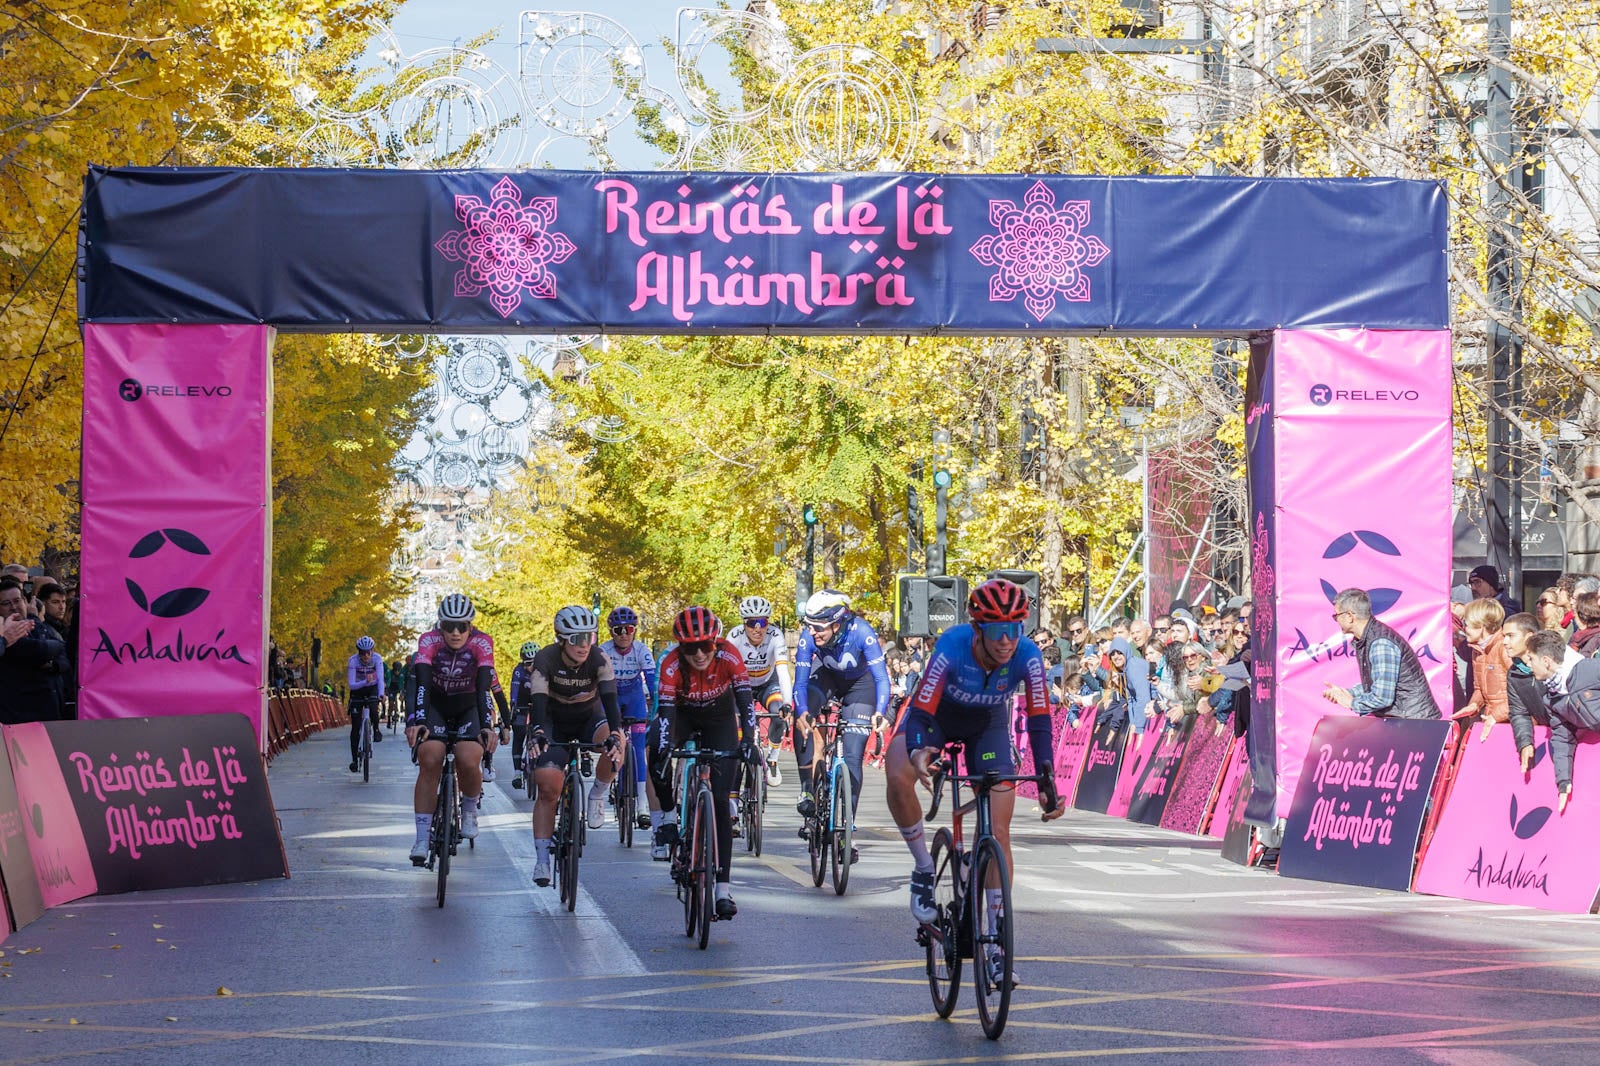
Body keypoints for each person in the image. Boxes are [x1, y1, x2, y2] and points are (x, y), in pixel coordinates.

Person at [885, 578, 1064, 982]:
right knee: (897, 774)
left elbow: (1039, 722)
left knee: (999, 832)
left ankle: (999, 943)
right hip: (936, 718)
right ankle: (923, 868)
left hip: (988, 726)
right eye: (998, 631)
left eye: (1015, 630)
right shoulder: (952, 645)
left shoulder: (1029, 657)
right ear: (978, 630)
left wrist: (1048, 780)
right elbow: (922, 709)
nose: (1007, 641)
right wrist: (917, 751)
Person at [646, 606, 755, 917]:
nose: (698, 655)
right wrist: (666, 749)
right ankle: (668, 816)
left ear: (715, 642)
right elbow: (665, 717)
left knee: (720, 801)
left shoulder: (730, 655)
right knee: (655, 749)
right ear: (681, 647)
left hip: (719, 718)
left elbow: (746, 704)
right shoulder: (670, 665)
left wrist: (748, 741)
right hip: (681, 715)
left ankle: (723, 890)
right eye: (690, 648)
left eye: (705, 646)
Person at [525, 605, 623, 886]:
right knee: (547, 785)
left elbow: (609, 699)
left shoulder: (599, 658)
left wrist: (615, 733)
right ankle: (542, 859)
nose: (583, 645)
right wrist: (539, 731)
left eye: (589, 638)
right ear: (561, 639)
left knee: (618, 743)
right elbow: (539, 701)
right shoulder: (545, 658)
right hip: (554, 721)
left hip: (588, 718)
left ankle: (597, 794)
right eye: (575, 639)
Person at [406, 594, 498, 865]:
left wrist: (487, 725)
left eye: (462, 626)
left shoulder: (483, 642)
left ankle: (469, 809)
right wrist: (418, 720)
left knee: (468, 758)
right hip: (436, 705)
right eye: (449, 626)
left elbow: (484, 687)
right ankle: (422, 837)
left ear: (471, 626)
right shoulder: (429, 641)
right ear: (440, 625)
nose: (455, 632)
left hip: (468, 705)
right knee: (430, 757)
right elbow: (421, 684)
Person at [791, 589, 891, 830]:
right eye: (809, 625)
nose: (811, 631)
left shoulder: (863, 633)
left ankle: (848, 825)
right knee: (801, 717)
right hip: (824, 678)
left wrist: (880, 711)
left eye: (817, 626)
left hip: (860, 686)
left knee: (854, 753)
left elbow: (881, 679)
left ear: (836, 624)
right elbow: (801, 683)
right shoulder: (808, 638)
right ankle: (807, 789)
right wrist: (803, 711)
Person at [1321, 587, 1442, 719]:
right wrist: (1348, 693)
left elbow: (1382, 698)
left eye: (1336, 616)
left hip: (1417, 723)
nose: (1336, 620)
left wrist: (1351, 702)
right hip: (1409, 720)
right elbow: (1380, 684)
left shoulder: (1380, 643)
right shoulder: (1370, 638)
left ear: (1349, 616)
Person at [1521, 629, 1599, 814]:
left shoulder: (1591, 670)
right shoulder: (1551, 698)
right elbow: (1563, 738)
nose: (1528, 664)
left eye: (1531, 659)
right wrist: (1564, 782)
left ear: (1546, 661)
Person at [601, 606, 659, 831]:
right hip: (612, 696)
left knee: (638, 749)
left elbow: (652, 680)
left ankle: (643, 805)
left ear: (635, 630)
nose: (624, 634)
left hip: (634, 696)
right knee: (617, 743)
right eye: (618, 630)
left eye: (629, 629)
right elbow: (597, 683)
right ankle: (616, 782)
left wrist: (656, 709)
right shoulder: (604, 651)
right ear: (611, 632)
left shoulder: (641, 650)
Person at [726, 595, 794, 783]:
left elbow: (782, 672)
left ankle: (773, 758)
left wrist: (787, 703)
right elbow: (725, 673)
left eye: (762, 622)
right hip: (742, 684)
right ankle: (738, 752)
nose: (757, 628)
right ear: (744, 623)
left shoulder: (776, 635)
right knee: (734, 720)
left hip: (767, 683)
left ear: (768, 623)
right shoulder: (734, 637)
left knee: (778, 711)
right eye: (752, 623)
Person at [1460, 599, 1510, 727]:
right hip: (1490, 720)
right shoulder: (1477, 650)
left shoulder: (1504, 648)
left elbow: (1522, 693)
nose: (1463, 628)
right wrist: (1474, 704)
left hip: (1511, 723)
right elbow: (1479, 688)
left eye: (1466, 623)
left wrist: (1496, 716)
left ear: (1481, 626)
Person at [346, 635, 385, 773]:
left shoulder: (377, 659)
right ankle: (354, 760)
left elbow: (380, 679)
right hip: (358, 689)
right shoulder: (353, 661)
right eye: (363, 653)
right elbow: (351, 685)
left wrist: (381, 694)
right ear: (359, 652)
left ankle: (375, 729)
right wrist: (365, 682)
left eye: (369, 652)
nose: (367, 655)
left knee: (374, 708)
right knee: (355, 726)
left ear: (373, 650)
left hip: (372, 688)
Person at [509, 641, 540, 791]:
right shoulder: (519, 671)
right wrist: (513, 706)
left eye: (533, 663)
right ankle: (517, 773)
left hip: (537, 700)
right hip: (522, 701)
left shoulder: (543, 670)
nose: (530, 667)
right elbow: (514, 691)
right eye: (528, 663)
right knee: (519, 732)